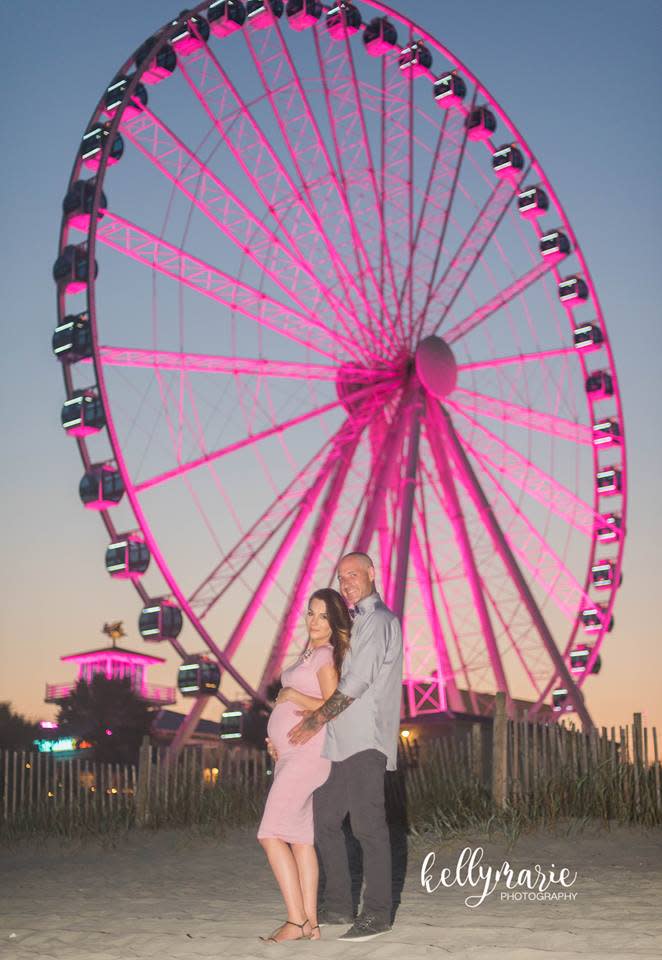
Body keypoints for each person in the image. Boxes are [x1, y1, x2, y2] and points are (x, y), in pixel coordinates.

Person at [287, 551, 404, 942]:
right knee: (324, 819)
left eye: (354, 574)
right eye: (342, 576)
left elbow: (356, 683)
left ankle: (378, 913)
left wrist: (314, 720)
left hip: (365, 740)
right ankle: (338, 903)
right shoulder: (354, 626)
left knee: (369, 826)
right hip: (338, 744)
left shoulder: (380, 621)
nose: (347, 582)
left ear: (372, 573)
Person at [256, 588, 351, 944]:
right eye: (311, 613)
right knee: (299, 839)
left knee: (268, 834)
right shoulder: (310, 653)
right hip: (291, 755)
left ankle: (294, 921)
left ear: (334, 622)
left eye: (323, 616)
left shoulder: (326, 655)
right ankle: (311, 923)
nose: (314, 621)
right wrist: (275, 738)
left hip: (307, 755)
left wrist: (293, 696)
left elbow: (335, 705)